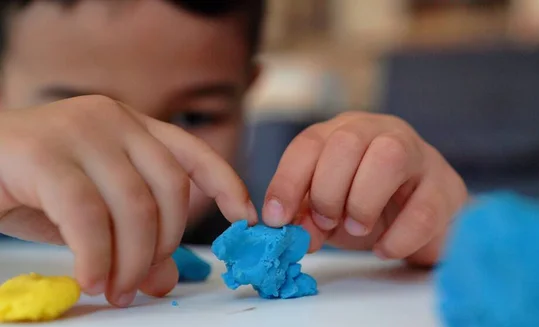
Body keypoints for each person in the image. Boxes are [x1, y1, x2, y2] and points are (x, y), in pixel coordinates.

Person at [0, 0, 467, 307]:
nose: (143, 157)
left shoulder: (284, 210)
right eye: (72, 116)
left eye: (193, 118)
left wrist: (426, 225)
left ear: (249, 92)